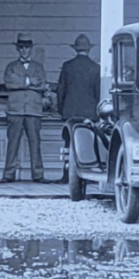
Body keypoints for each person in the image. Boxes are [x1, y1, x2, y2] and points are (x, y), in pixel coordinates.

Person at [53, 33, 102, 183]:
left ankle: (67, 175)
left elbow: (61, 90)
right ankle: (89, 175)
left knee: (69, 145)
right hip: (90, 111)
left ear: (75, 49)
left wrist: (61, 109)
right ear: (89, 50)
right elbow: (98, 92)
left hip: (70, 112)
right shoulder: (95, 68)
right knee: (89, 144)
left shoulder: (68, 66)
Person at [2, 33, 48, 182]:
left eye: (27, 47)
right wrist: (29, 81)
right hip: (15, 109)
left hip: (33, 110)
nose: (24, 51)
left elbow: (41, 84)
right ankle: (8, 174)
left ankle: (38, 175)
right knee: (12, 143)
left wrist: (20, 82)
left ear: (31, 49)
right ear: (17, 49)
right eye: (21, 48)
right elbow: (9, 83)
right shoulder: (11, 67)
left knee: (35, 144)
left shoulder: (38, 67)